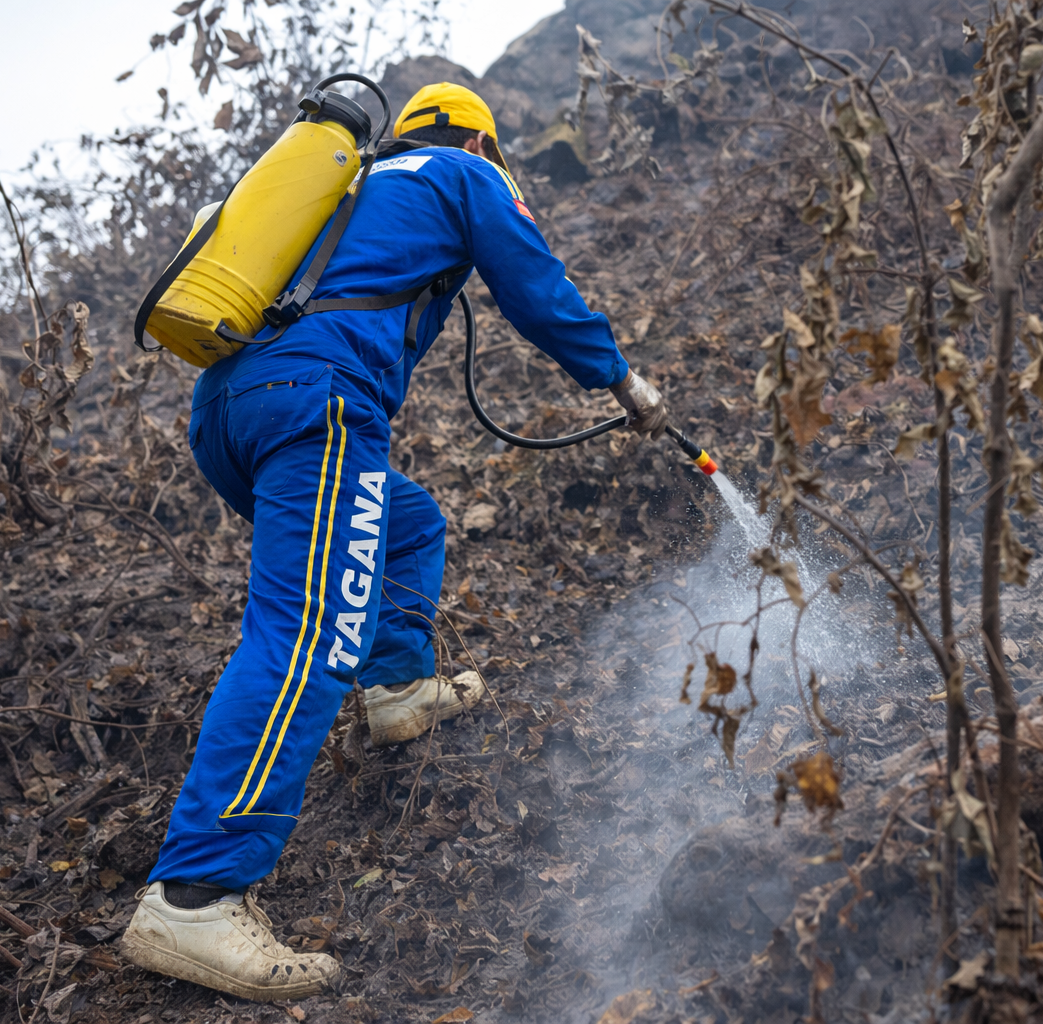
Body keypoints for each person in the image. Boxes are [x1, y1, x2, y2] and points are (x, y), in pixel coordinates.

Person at [118, 82, 668, 1001]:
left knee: (404, 524)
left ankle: (402, 687)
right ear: (482, 142)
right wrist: (621, 381)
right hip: (319, 402)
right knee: (304, 634)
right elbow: (538, 288)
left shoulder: (344, 189)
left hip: (226, 410)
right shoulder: (462, 171)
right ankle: (198, 895)